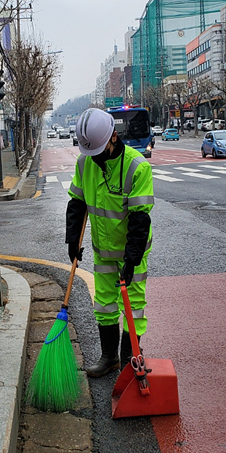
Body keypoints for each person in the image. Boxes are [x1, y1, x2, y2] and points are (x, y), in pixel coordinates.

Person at [66, 108, 154, 377]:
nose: (95, 158)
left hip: (132, 252)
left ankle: (129, 358)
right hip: (103, 250)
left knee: (133, 307)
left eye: (100, 151)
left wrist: (132, 258)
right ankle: (109, 357)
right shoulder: (85, 163)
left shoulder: (137, 167)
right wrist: (72, 240)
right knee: (104, 304)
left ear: (113, 138)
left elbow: (140, 219)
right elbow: (77, 203)